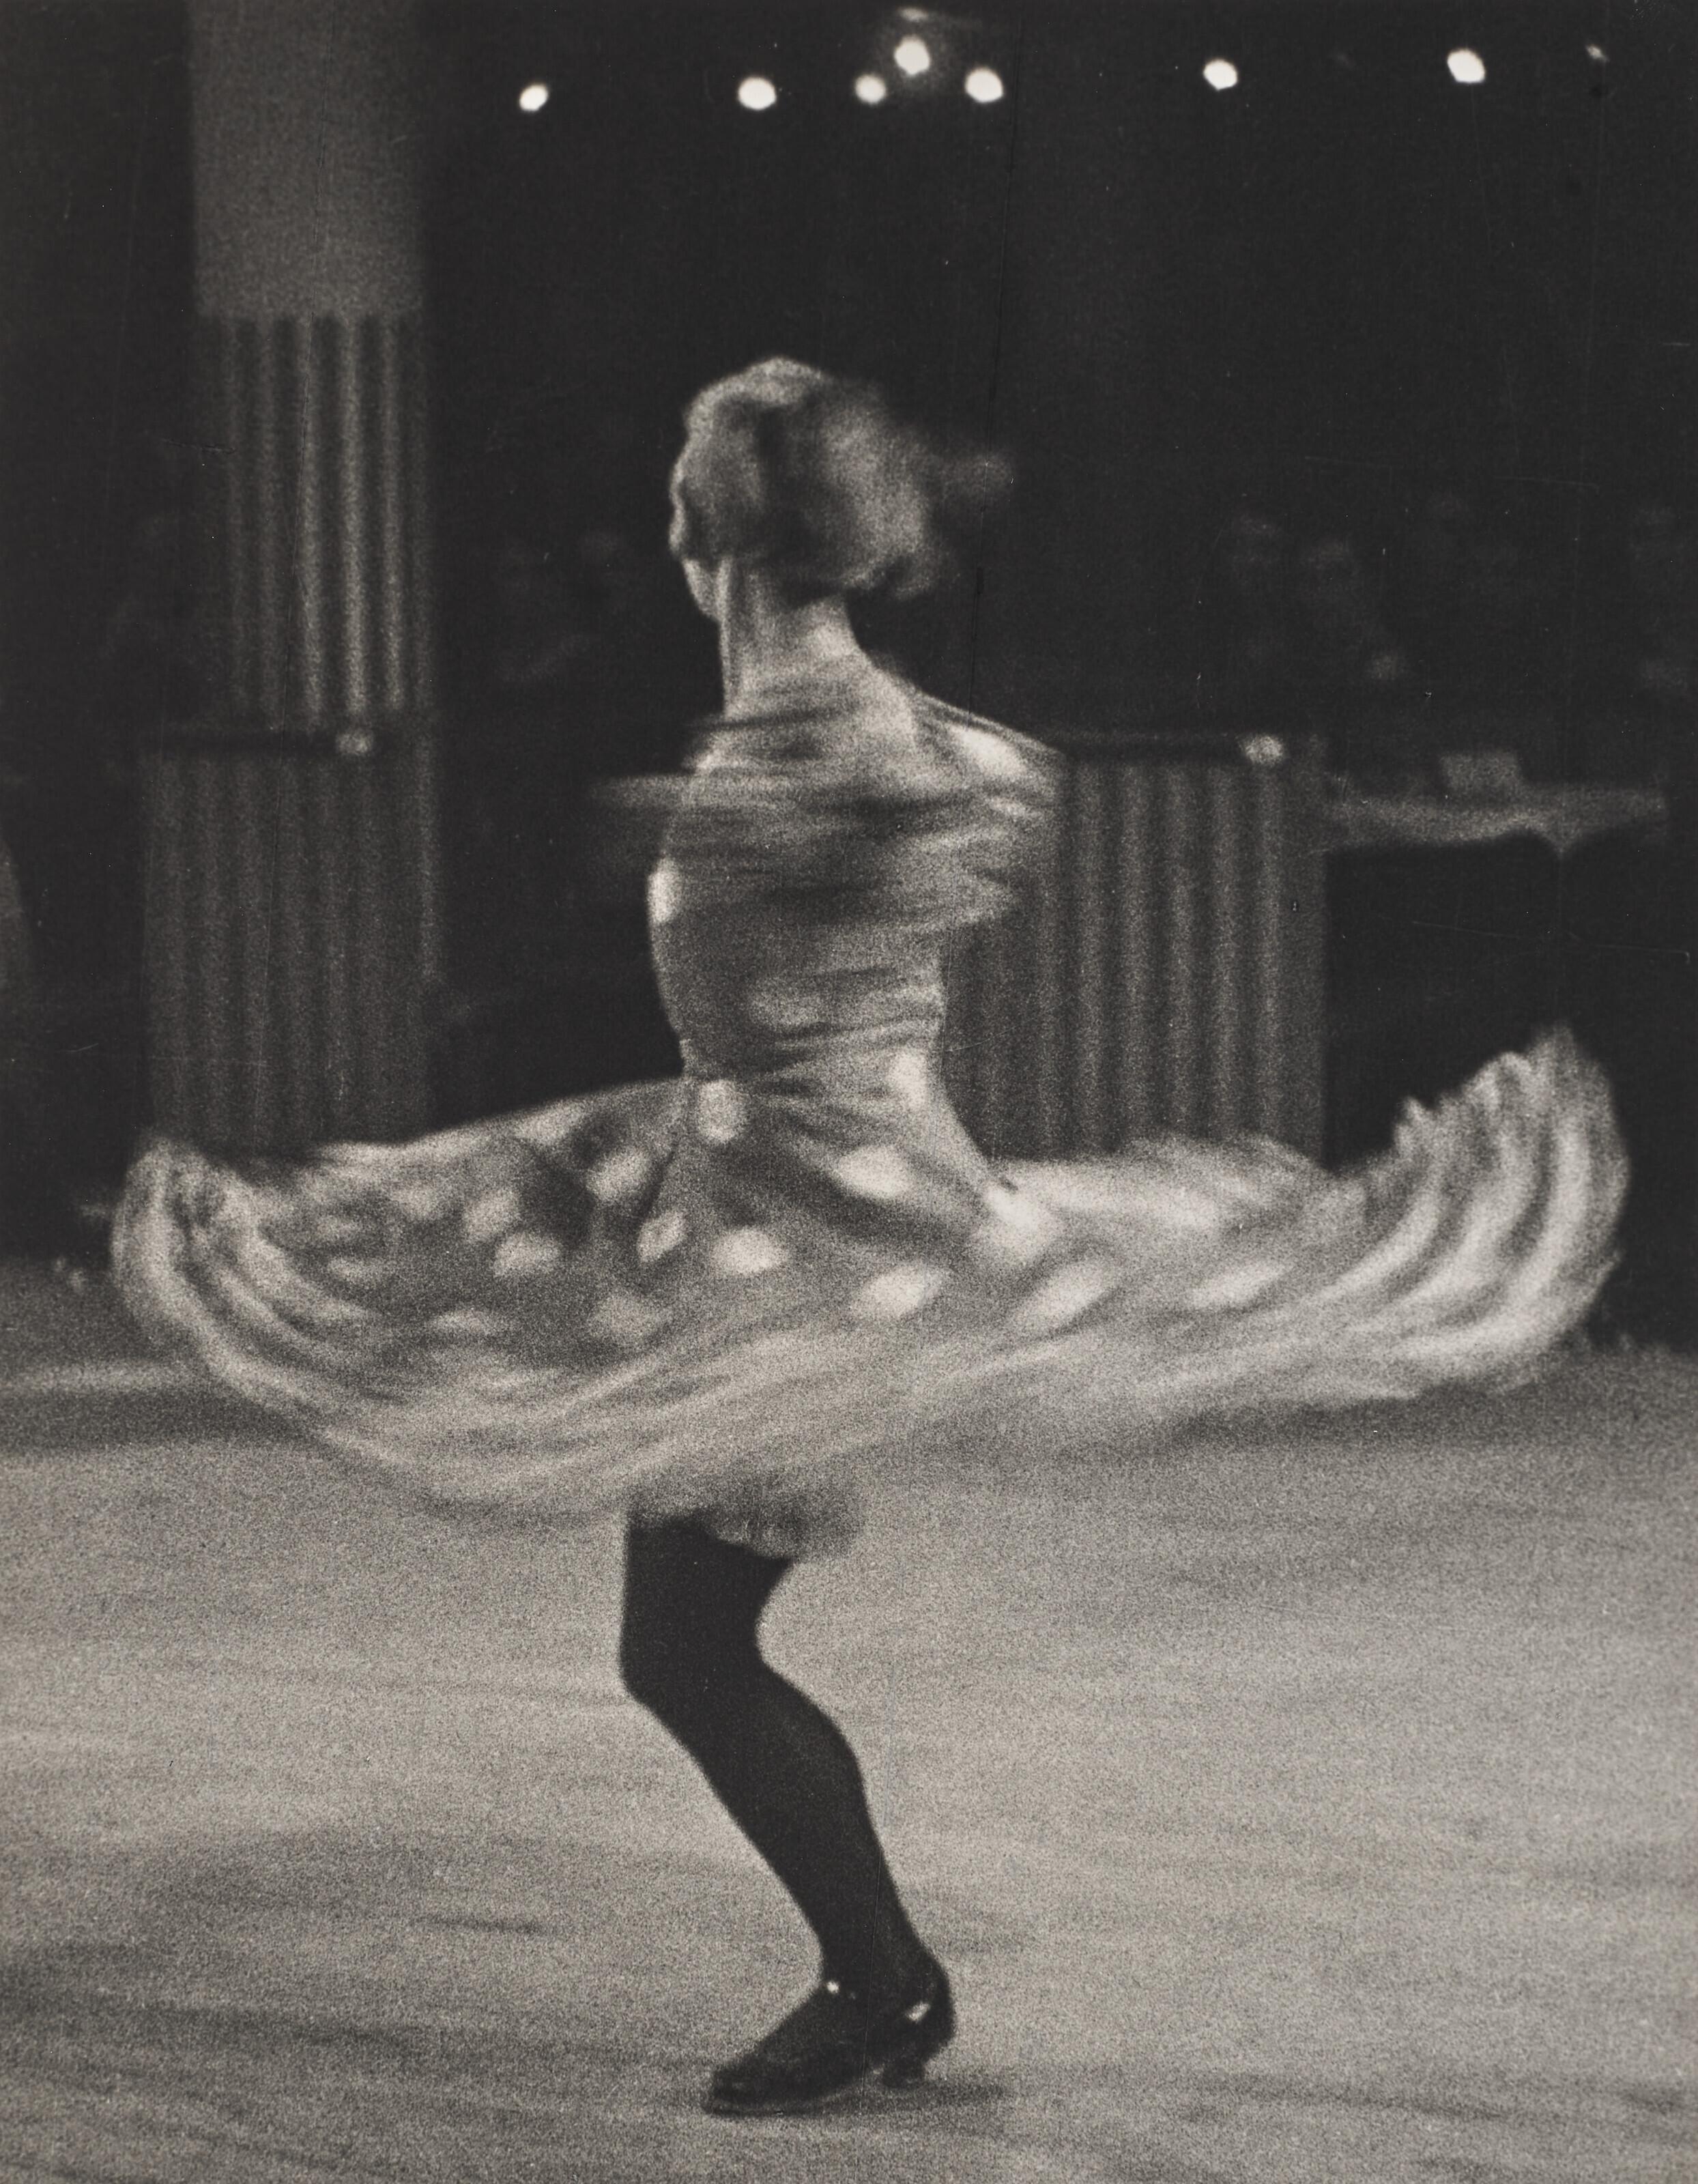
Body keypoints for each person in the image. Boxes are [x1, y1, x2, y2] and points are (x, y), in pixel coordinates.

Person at [115, 360, 1626, 2119]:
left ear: (698, 535)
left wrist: (735, 837)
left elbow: (945, 814)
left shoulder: (825, 736)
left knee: (681, 1651)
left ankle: (883, 1984)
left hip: (812, 1238)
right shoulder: (813, 730)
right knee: (682, 1646)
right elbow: (950, 817)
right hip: (744, 1191)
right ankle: (881, 1980)